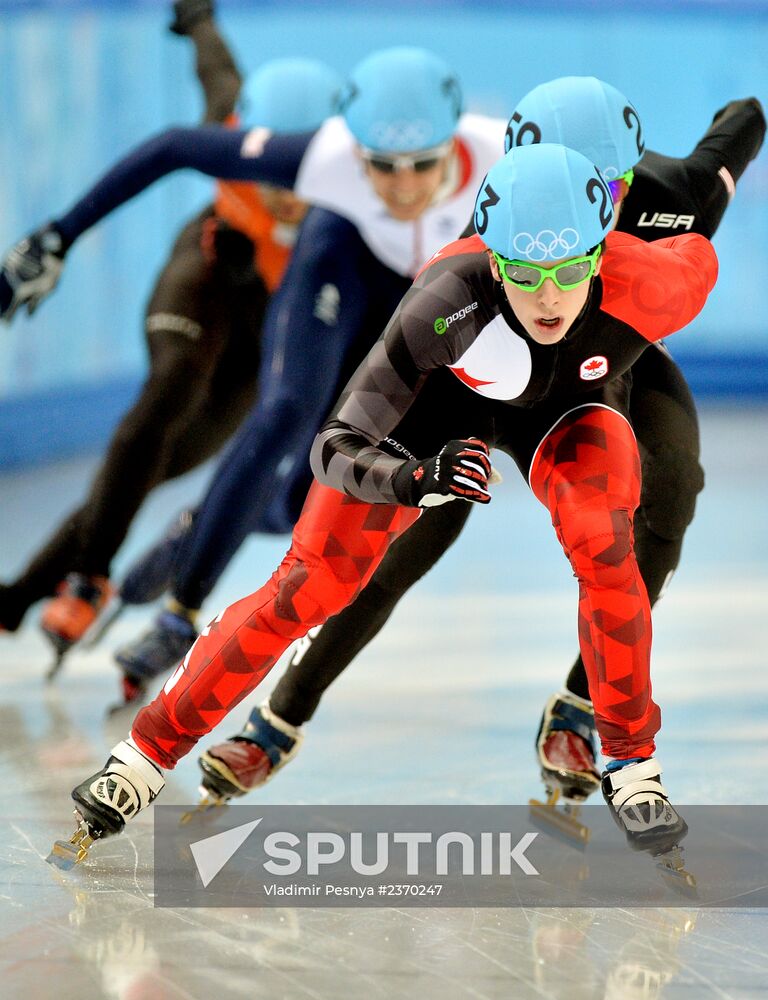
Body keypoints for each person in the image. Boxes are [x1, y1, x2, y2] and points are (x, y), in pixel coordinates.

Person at [49, 141, 718, 870]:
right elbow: (335, 444)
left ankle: (632, 765)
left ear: (600, 254)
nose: (549, 297)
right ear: (492, 259)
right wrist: (412, 480)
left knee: (606, 543)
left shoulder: (660, 279)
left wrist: (720, 160)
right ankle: (142, 758)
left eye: (568, 272)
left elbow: (735, 143)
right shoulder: (444, 298)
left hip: (566, 410)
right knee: (308, 585)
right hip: (435, 419)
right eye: (525, 274)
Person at [154, 80, 765, 825]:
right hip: (473, 378)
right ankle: (281, 714)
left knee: (666, 495)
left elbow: (737, 134)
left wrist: (742, 111)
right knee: (397, 546)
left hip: (600, 370)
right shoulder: (496, 210)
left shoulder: (679, 194)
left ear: (634, 176)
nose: (581, 197)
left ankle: (581, 705)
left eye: (609, 184)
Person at [0, 46, 507, 695]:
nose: (403, 186)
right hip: (344, 265)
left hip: (408, 297)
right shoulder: (318, 155)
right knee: (284, 413)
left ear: (454, 142)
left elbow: (626, 186)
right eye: (380, 166)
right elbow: (174, 146)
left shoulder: (503, 150)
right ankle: (180, 614)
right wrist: (56, 236)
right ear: (351, 147)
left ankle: (196, 526)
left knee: (315, 491)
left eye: (423, 165)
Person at [0, 0, 342, 677]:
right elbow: (215, 74)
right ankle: (88, 576)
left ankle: (16, 599)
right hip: (209, 271)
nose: (285, 193)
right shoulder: (232, 130)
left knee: (166, 463)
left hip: (271, 322)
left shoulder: (360, 181)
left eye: (297, 173)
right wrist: (198, 16)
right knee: (170, 387)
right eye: (270, 167)